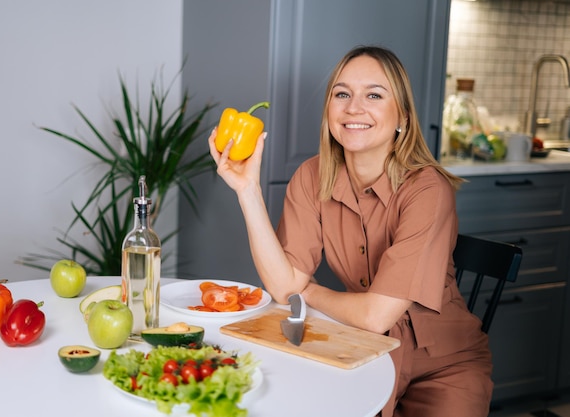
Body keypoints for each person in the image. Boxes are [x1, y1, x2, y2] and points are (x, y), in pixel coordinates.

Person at [208, 45, 493, 417]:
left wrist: (308, 291)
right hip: (362, 349)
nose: (353, 108)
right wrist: (247, 190)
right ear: (329, 111)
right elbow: (283, 285)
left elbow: (375, 315)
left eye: (374, 95)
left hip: (442, 367)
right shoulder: (312, 175)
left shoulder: (427, 189)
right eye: (342, 94)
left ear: (401, 117)